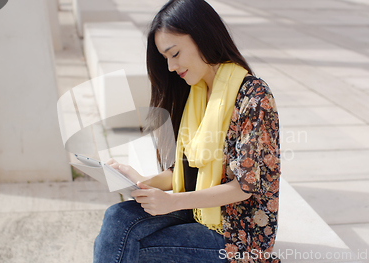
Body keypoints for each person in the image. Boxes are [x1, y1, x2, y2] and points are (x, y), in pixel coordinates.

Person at [93, 0, 281, 262]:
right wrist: (140, 182)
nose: (170, 67)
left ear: (202, 36)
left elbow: (244, 187)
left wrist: (172, 203)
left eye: (175, 53)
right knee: (116, 218)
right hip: (197, 210)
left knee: (131, 248)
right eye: (165, 58)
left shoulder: (253, 96)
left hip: (237, 233)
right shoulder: (195, 92)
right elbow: (182, 171)